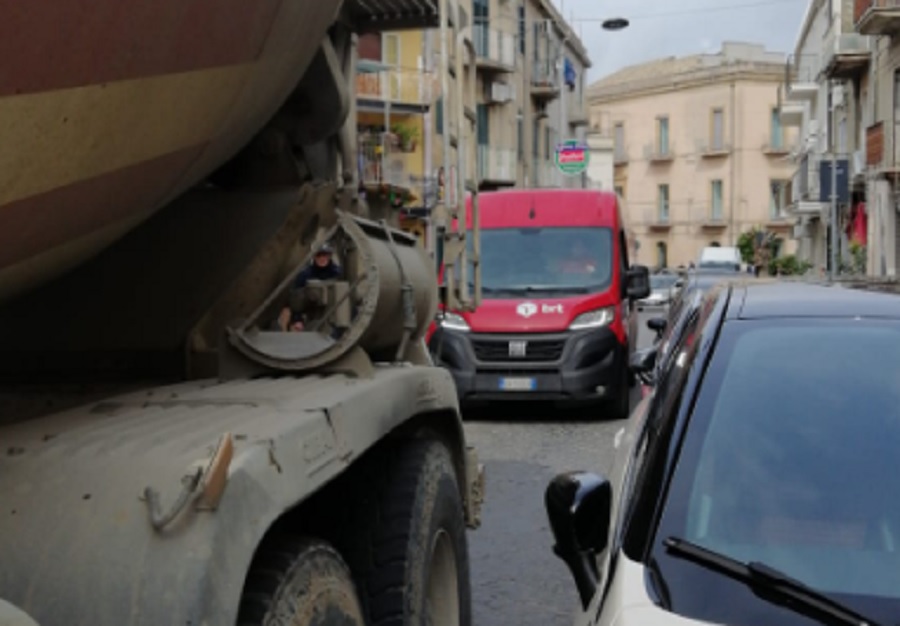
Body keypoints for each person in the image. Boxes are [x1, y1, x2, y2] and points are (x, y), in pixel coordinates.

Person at [278, 243, 342, 331]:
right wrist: (297, 320)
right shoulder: (305, 274)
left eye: (325, 255)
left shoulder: (337, 273)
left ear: (329, 256)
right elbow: (296, 297)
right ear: (314, 257)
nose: (322, 258)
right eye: (319, 255)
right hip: (311, 308)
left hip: (333, 309)